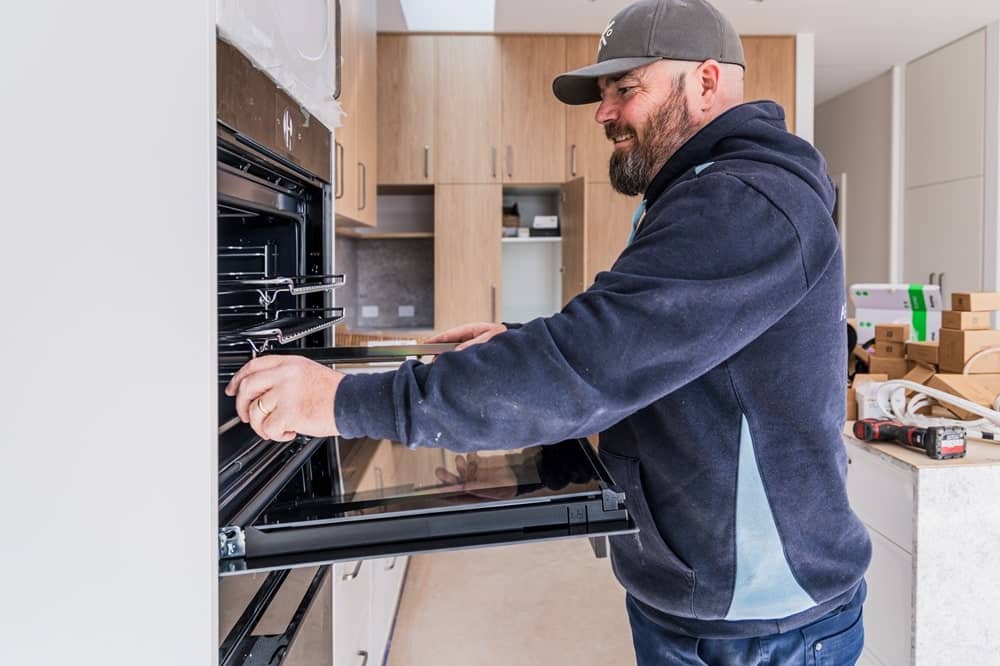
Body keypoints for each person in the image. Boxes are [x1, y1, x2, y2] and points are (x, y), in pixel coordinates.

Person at [226, 0, 872, 662]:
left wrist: (338, 401)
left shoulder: (744, 201)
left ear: (706, 82)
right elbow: (653, 341)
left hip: (767, 623)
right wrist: (516, 339)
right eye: (603, 94)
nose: (603, 113)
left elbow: (589, 363)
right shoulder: (698, 193)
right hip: (691, 589)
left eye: (626, 89)